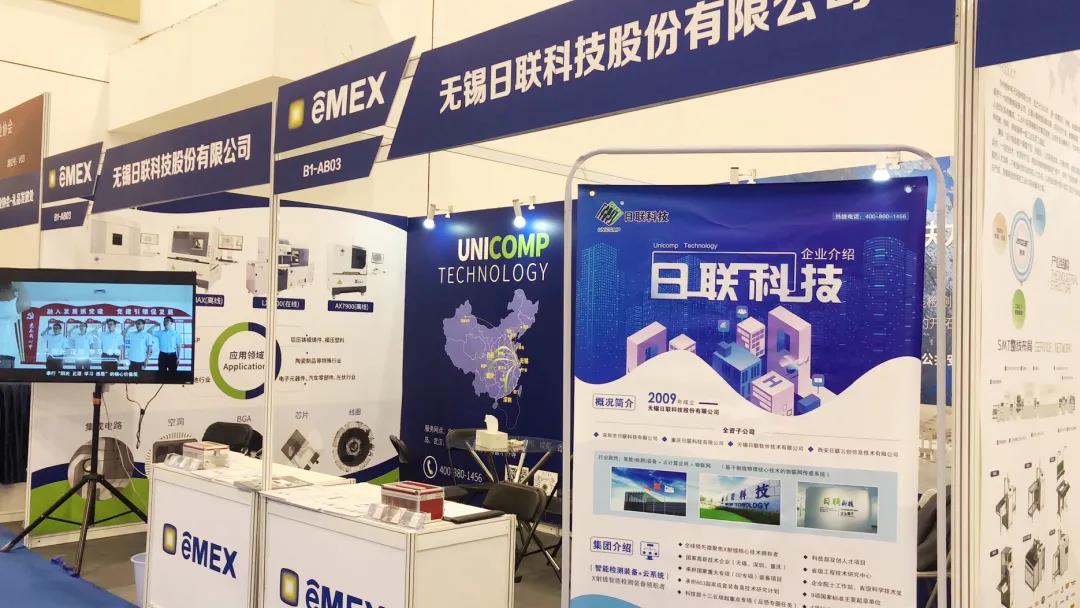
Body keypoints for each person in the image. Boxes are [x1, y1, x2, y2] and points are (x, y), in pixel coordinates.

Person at [0, 281, 29, 369]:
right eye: (13, 292)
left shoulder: (8, 307)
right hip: (4, 356)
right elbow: (25, 304)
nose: (14, 295)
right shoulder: (8, 307)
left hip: (5, 356)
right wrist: (19, 285)